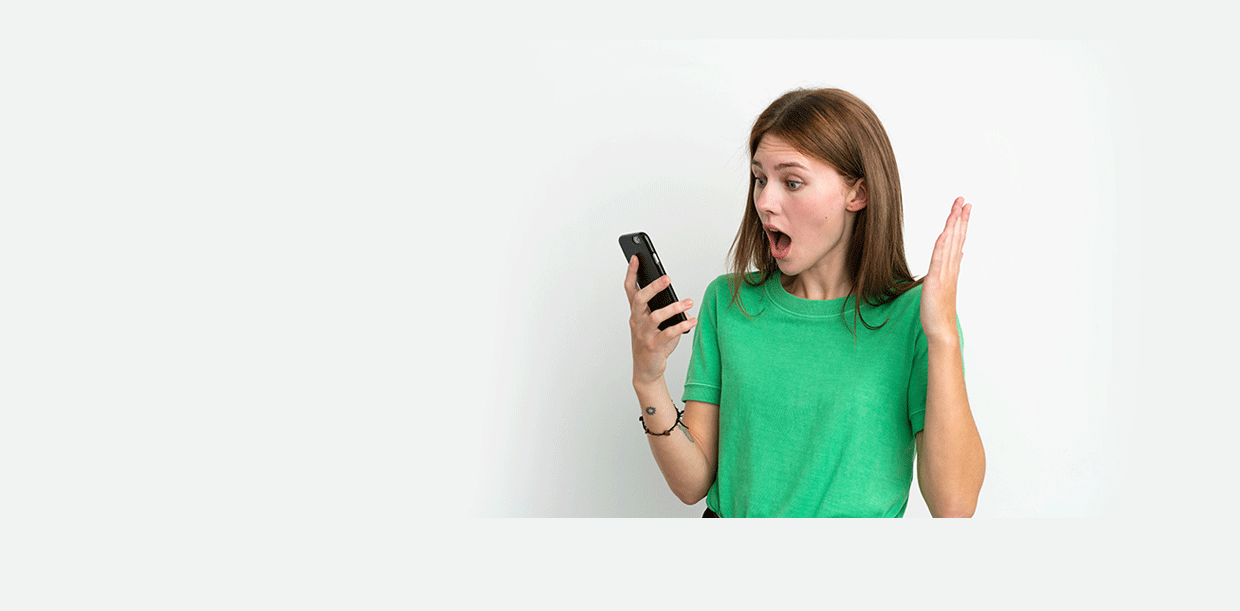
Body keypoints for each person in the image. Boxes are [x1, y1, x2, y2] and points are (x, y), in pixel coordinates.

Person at [623, 88, 985, 518]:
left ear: (859, 193)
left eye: (792, 182)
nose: (764, 202)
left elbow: (954, 508)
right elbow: (692, 483)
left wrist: (943, 336)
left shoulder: (915, 320)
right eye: (760, 179)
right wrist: (648, 379)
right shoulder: (729, 303)